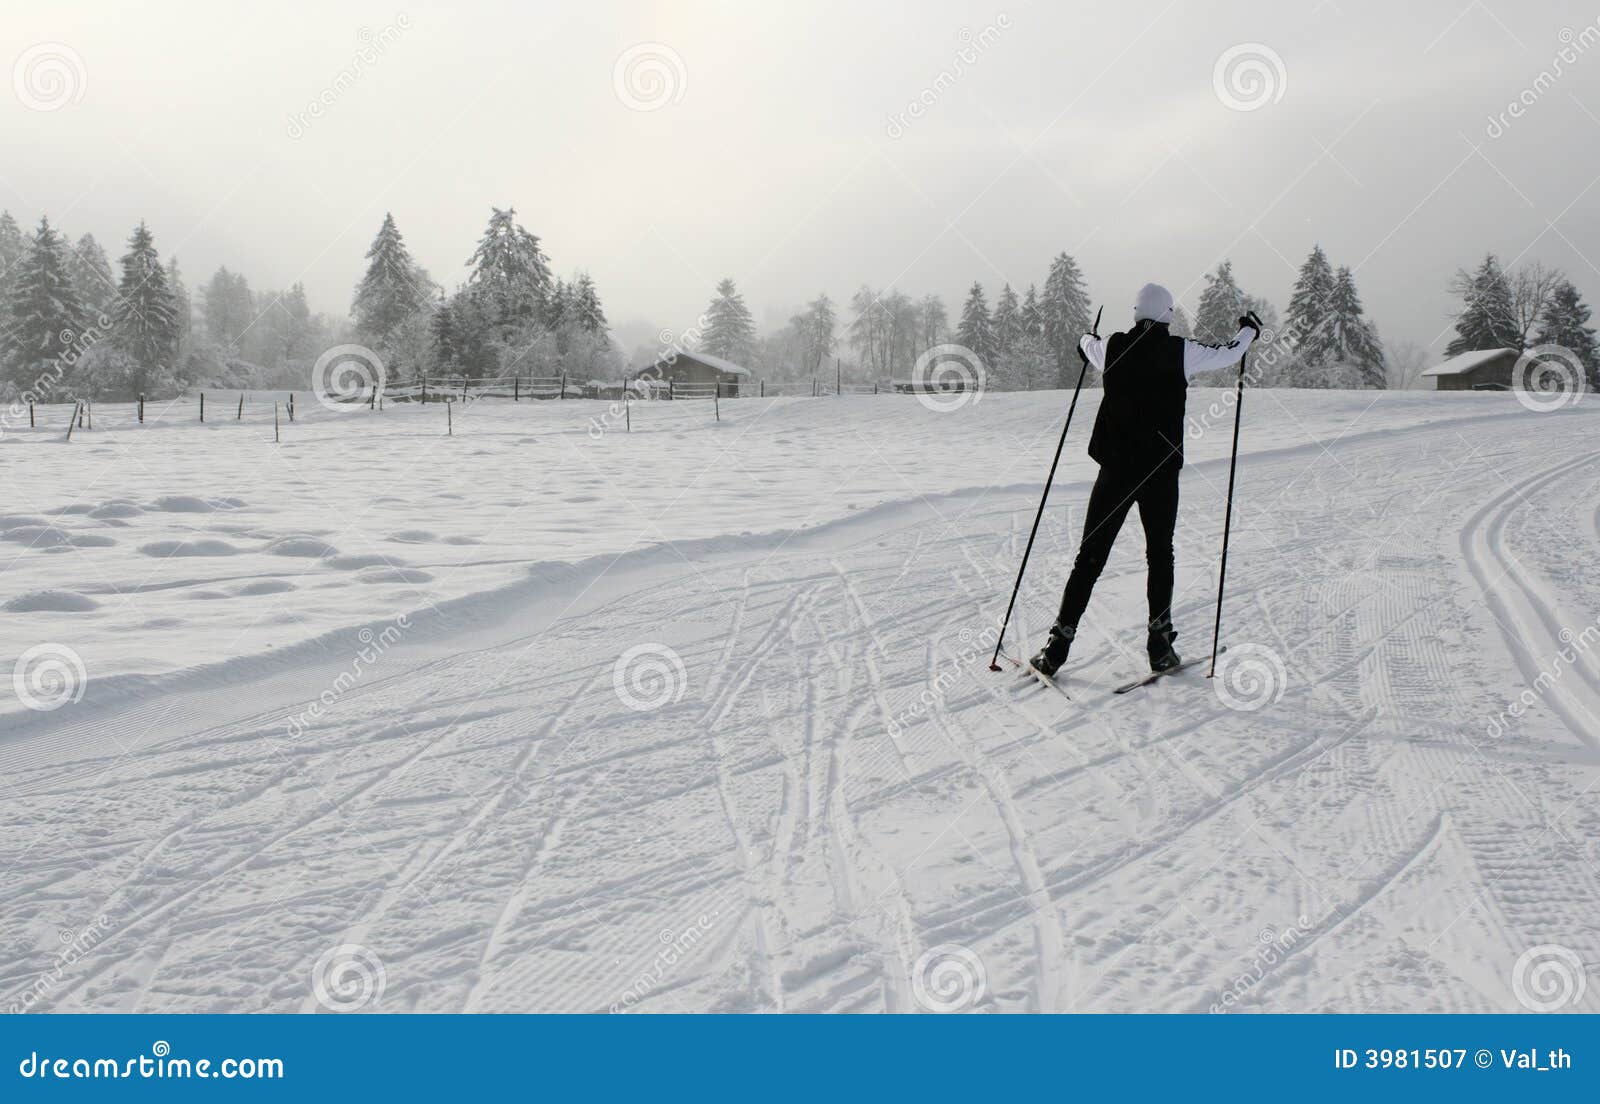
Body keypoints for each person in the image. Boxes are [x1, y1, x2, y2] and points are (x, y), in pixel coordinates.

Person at [1030, 283, 1260, 678]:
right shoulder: (1182, 351)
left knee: (1089, 559)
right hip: (1159, 474)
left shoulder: (1113, 347)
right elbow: (1231, 352)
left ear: (1136, 313)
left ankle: (1057, 648)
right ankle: (1159, 645)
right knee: (1160, 555)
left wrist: (1088, 338)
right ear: (1168, 315)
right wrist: (1249, 330)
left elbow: (1086, 343)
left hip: (1114, 472)